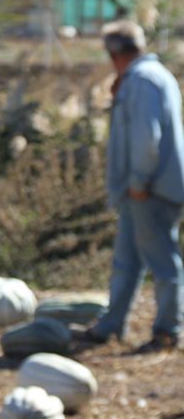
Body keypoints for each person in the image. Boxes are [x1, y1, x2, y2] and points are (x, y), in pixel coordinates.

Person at [79, 20, 184, 353]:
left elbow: (146, 140)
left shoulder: (142, 80)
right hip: (139, 189)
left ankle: (168, 330)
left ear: (114, 54)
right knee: (126, 260)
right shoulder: (149, 76)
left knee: (162, 262)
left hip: (149, 189)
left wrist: (139, 181)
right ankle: (111, 325)